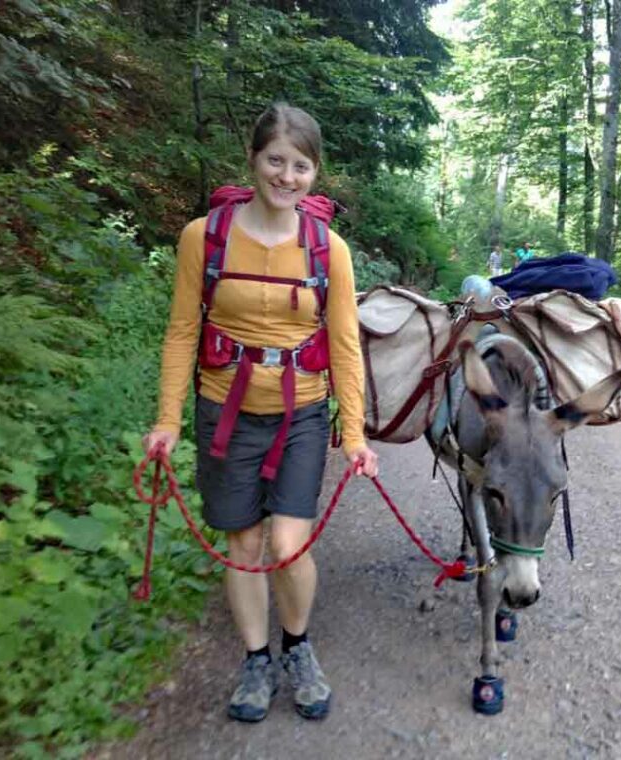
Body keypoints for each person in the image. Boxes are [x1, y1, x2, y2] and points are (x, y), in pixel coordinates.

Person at [143, 103, 378, 724]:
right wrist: (168, 419)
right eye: (276, 160)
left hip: (301, 412)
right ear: (252, 160)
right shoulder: (205, 236)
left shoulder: (330, 250)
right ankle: (255, 658)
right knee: (243, 541)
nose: (287, 175)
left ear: (315, 172)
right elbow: (181, 333)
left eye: (301, 165)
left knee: (288, 544)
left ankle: (297, 645)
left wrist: (352, 433)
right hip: (224, 408)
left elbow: (347, 346)